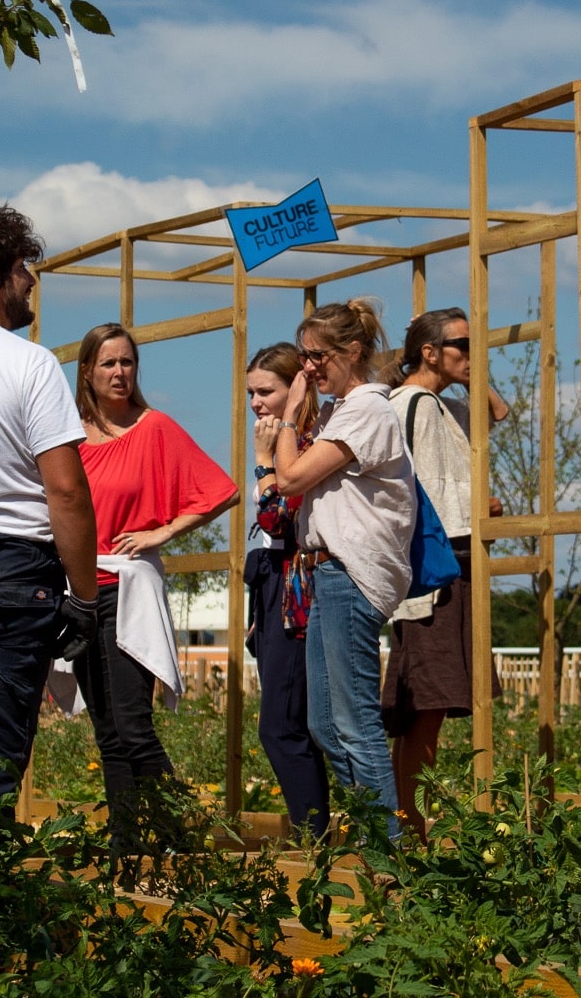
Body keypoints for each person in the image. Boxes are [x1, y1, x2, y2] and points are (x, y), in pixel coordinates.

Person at [72, 323, 239, 844]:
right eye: (109, 363)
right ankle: (126, 847)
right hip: (80, 591)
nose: (120, 372)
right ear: (87, 371)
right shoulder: (68, 436)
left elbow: (222, 491)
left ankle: (178, 839)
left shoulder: (154, 428)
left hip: (128, 589)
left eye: (127, 362)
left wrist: (161, 532)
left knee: (133, 726)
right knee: (107, 732)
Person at [0, 206, 99, 806]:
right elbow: (65, 491)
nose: (31, 280)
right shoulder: (29, 362)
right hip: (9, 573)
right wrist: (85, 599)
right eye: (21, 268)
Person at [272, 299, 416, 837]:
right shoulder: (341, 410)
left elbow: (289, 478)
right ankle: (373, 836)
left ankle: (388, 855)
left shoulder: (367, 410)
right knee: (325, 725)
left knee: (354, 722)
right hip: (328, 574)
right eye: (304, 356)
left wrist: (290, 415)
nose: (308, 367)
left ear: (353, 351)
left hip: (351, 573)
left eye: (317, 356)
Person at [377, 307, 508, 839]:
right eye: (463, 346)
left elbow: (496, 412)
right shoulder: (412, 405)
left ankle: (405, 819)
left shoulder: (435, 402)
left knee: (426, 701)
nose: (474, 357)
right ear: (430, 354)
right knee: (426, 701)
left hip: (443, 561)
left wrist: (470, 366)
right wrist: (477, 509)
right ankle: (407, 824)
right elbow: (419, 489)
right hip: (436, 566)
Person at [244, 342, 330, 838]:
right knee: (290, 722)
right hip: (275, 588)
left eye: (266, 392)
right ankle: (311, 831)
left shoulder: (306, 440)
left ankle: (312, 837)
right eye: (250, 394)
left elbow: (277, 518)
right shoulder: (285, 439)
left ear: (295, 388)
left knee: (281, 726)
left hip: (299, 591)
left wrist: (263, 462)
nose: (256, 403)